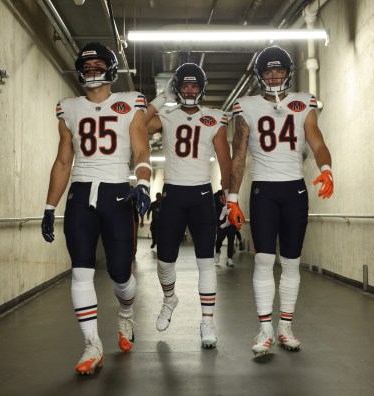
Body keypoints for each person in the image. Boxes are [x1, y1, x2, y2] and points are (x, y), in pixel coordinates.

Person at [40, 42, 152, 375]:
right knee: (81, 269)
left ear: (111, 69)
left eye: (97, 66)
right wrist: (49, 206)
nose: (91, 72)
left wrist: (143, 183)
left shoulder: (130, 103)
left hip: (118, 193)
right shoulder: (69, 108)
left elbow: (142, 150)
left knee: (120, 274)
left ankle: (126, 313)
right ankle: (92, 345)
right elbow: (63, 160)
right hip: (80, 194)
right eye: (85, 67)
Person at [226, 46, 334, 356]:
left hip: (295, 190)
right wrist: (232, 197)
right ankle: (264, 328)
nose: (274, 75)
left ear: (288, 71)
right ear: (260, 74)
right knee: (263, 260)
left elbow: (317, 140)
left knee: (291, 261)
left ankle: (285, 326)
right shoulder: (246, 106)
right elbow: (239, 154)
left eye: (279, 69)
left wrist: (327, 168)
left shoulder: (303, 103)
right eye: (268, 70)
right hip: (264, 191)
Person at [145, 63, 231, 348]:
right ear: (177, 88)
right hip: (173, 195)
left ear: (202, 88)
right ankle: (170, 299)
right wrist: (161, 98)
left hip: (203, 196)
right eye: (184, 85)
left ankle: (207, 321)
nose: (189, 90)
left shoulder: (214, 118)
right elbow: (138, 125)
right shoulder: (167, 114)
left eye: (194, 85)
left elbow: (224, 159)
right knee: (164, 260)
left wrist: (230, 197)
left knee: (206, 262)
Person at [214, 190, 236, 267]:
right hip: (221, 222)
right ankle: (217, 252)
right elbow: (213, 208)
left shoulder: (232, 195)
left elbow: (236, 208)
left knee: (231, 240)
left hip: (231, 222)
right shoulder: (216, 195)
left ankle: (230, 258)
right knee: (219, 238)